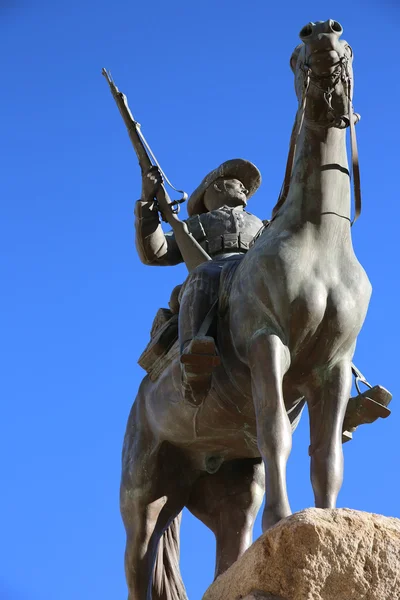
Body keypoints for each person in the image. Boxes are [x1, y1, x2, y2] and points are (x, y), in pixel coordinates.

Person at [135, 158, 264, 403]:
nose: (245, 189)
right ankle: (194, 361)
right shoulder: (196, 223)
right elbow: (156, 252)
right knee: (202, 275)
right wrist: (148, 204)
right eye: (238, 183)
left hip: (253, 271)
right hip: (213, 274)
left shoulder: (260, 223)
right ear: (217, 187)